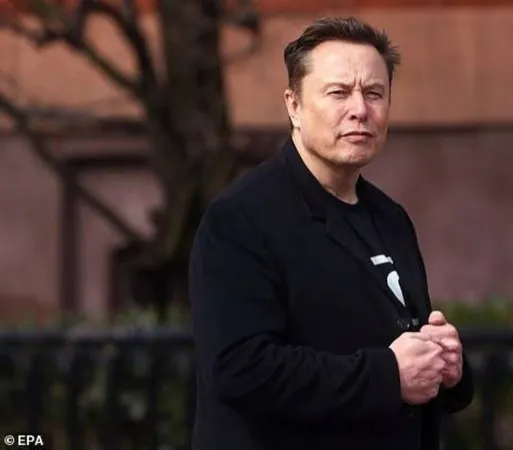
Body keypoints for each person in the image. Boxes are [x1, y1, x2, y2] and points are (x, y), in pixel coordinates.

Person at [188, 16, 473, 450]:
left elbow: (398, 351)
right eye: (338, 92)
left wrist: (445, 366)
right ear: (294, 105)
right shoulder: (240, 219)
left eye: (374, 93)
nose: (360, 109)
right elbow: (239, 369)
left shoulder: (390, 218)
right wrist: (387, 376)